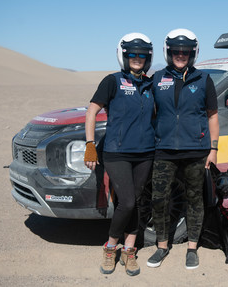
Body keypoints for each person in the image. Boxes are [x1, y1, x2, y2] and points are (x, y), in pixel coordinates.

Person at [147, 28, 219, 270]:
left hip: (195, 150)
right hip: (164, 149)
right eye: (176, 51)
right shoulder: (157, 79)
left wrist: (213, 148)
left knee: (194, 198)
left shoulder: (203, 80)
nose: (181, 55)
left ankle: (192, 247)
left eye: (185, 51)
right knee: (158, 199)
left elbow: (212, 116)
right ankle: (162, 245)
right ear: (169, 53)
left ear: (192, 53)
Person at [84, 32, 155, 276]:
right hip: (117, 153)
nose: (137, 59)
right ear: (124, 56)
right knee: (127, 202)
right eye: (132, 55)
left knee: (135, 203)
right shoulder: (112, 81)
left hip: (145, 153)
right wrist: (90, 144)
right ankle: (110, 247)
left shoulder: (149, 84)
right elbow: (92, 111)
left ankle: (129, 252)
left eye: (142, 55)